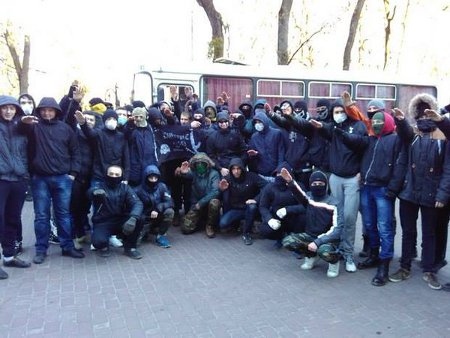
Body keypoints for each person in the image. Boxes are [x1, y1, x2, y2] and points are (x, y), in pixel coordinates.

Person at [389, 93, 450, 290]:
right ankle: (405, 266)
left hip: (432, 194)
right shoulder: (412, 134)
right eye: (420, 113)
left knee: (429, 234)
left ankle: (429, 269)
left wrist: (442, 194)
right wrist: (400, 120)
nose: (424, 117)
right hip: (409, 192)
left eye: (427, 112)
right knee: (408, 232)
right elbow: (404, 133)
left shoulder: (442, 137)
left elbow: (448, 169)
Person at [336, 111, 402, 286]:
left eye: (380, 122)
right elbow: (356, 141)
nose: (377, 124)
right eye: (375, 122)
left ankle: (384, 266)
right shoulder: (370, 139)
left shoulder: (395, 140)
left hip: (383, 190)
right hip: (367, 187)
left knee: (384, 228)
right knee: (369, 225)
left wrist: (393, 189)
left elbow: (399, 166)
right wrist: (342, 134)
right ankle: (373, 255)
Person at [21, 97, 84, 264]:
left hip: (63, 178)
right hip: (40, 179)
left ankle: (67, 246)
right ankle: (41, 249)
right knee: (41, 216)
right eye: (43, 110)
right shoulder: (33, 127)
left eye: (50, 110)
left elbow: (75, 151)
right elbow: (21, 134)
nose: (46, 113)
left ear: (56, 111)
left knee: (63, 215)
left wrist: (73, 173)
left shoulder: (65, 128)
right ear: (39, 111)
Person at [310, 96, 368, 273]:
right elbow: (326, 129)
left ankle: (348, 253)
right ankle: (336, 251)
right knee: (337, 218)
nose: (339, 114)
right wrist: (320, 127)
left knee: (350, 217)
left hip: (352, 180)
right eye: (336, 111)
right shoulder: (333, 127)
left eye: (342, 111)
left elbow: (362, 144)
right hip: (335, 178)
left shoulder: (357, 125)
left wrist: (342, 133)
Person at [281, 169, 343, 277]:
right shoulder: (309, 199)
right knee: (288, 241)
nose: (317, 185)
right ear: (310, 185)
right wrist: (290, 182)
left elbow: (337, 230)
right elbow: (299, 194)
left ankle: (334, 263)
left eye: (320, 183)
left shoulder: (335, 203)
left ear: (326, 185)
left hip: (328, 240)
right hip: (310, 236)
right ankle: (311, 255)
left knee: (325, 252)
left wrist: (318, 242)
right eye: (314, 184)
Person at [0, 96, 32, 279]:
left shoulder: (22, 128)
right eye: (4, 108)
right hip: (2, 179)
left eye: (12, 108)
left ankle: (9, 256)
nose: (8, 111)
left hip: (19, 179)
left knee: (13, 218)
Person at [88, 165, 144, 259]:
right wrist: (94, 192)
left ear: (121, 176)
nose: (114, 176)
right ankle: (104, 247)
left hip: (120, 220)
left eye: (117, 174)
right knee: (98, 242)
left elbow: (137, 203)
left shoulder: (125, 188)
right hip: (103, 222)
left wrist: (133, 218)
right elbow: (89, 192)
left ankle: (130, 248)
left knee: (139, 219)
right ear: (106, 175)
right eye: (111, 174)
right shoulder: (99, 186)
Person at [218, 158, 267, 245]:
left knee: (252, 207)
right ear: (230, 169)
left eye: (238, 168)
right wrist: (221, 189)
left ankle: (246, 233)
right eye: (233, 169)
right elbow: (218, 192)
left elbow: (267, 187)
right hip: (236, 209)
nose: (236, 171)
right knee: (223, 223)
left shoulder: (251, 176)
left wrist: (256, 199)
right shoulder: (227, 178)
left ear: (242, 169)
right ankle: (237, 224)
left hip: (250, 208)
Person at [258, 163, 306, 245]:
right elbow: (263, 206)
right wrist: (269, 219)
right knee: (265, 230)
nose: (280, 176)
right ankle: (279, 237)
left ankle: (297, 240)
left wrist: (288, 210)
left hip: (294, 218)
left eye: (282, 174)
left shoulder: (298, 186)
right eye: (278, 174)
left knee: (304, 218)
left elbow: (305, 205)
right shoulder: (270, 187)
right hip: (277, 218)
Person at [177, 152, 220, 238]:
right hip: (196, 204)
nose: (200, 165)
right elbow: (184, 174)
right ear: (194, 165)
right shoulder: (194, 172)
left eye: (202, 163)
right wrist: (182, 172)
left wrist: (201, 203)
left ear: (207, 164)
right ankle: (199, 220)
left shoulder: (214, 174)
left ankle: (210, 225)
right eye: (197, 163)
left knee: (215, 202)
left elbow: (215, 191)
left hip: (206, 203)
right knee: (185, 228)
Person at [135, 165, 174, 248]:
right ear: (146, 178)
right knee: (135, 243)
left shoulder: (162, 187)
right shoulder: (138, 190)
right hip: (145, 217)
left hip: (158, 214)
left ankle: (161, 235)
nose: (153, 180)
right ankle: (146, 231)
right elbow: (135, 206)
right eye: (151, 178)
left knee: (170, 212)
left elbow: (170, 202)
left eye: (155, 178)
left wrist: (157, 209)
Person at [206, 110, 248, 177]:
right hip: (221, 167)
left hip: (236, 165)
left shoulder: (235, 134)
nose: (224, 124)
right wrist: (220, 168)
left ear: (228, 122)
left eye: (225, 121)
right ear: (217, 123)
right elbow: (211, 156)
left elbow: (244, 150)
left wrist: (239, 164)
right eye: (221, 122)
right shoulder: (212, 137)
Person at [247, 110, 286, 182]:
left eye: (260, 122)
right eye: (256, 122)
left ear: (265, 121)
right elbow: (252, 159)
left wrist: (279, 170)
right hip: (261, 173)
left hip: (275, 173)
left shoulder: (276, 133)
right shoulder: (254, 137)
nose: (258, 124)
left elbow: (281, 153)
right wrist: (253, 155)